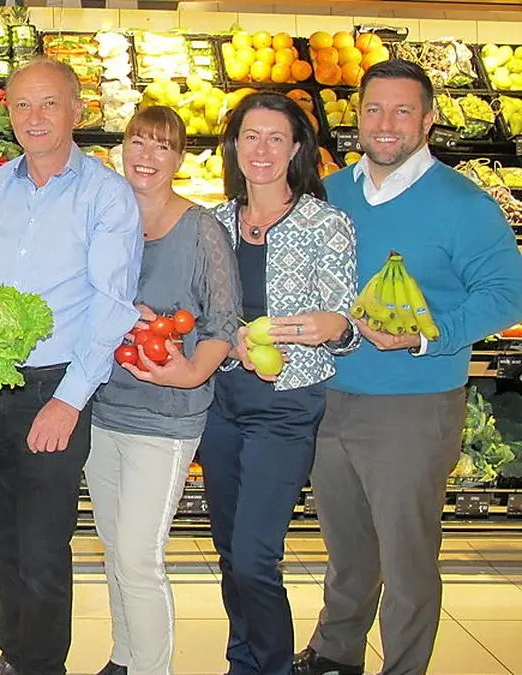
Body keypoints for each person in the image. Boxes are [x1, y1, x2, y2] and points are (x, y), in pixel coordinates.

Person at [294, 60, 522, 675]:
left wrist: (425, 336)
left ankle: (403, 666)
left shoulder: (463, 205)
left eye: (402, 110)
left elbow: (507, 294)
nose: (386, 123)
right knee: (345, 546)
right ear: (357, 115)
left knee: (407, 559)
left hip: (413, 406)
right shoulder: (330, 193)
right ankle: (336, 653)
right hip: (330, 397)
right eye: (374, 109)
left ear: (428, 120)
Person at [0, 57, 143, 675]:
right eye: (22, 105)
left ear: (76, 112)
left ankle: (41, 666)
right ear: (8, 112)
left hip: (53, 388)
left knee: (42, 547)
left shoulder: (105, 194)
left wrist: (68, 399)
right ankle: (16, 654)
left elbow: (113, 305)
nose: (34, 117)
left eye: (49, 103)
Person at [201, 91, 358, 675]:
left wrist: (333, 326)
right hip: (219, 402)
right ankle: (242, 662)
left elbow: (346, 327)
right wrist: (222, 339)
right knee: (228, 552)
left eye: (275, 138)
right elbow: (199, 316)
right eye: (250, 136)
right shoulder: (213, 223)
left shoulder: (327, 224)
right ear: (234, 146)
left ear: (296, 149)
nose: (261, 149)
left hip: (286, 406)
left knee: (255, 557)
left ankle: (271, 667)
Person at [87, 105, 241, 675]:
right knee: (113, 548)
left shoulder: (201, 230)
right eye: (139, 141)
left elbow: (223, 323)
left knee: (138, 556)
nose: (147, 156)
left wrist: (191, 372)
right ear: (122, 148)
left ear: (179, 159)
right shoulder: (106, 218)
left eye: (163, 146)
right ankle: (124, 657)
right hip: (103, 408)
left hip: (167, 417)